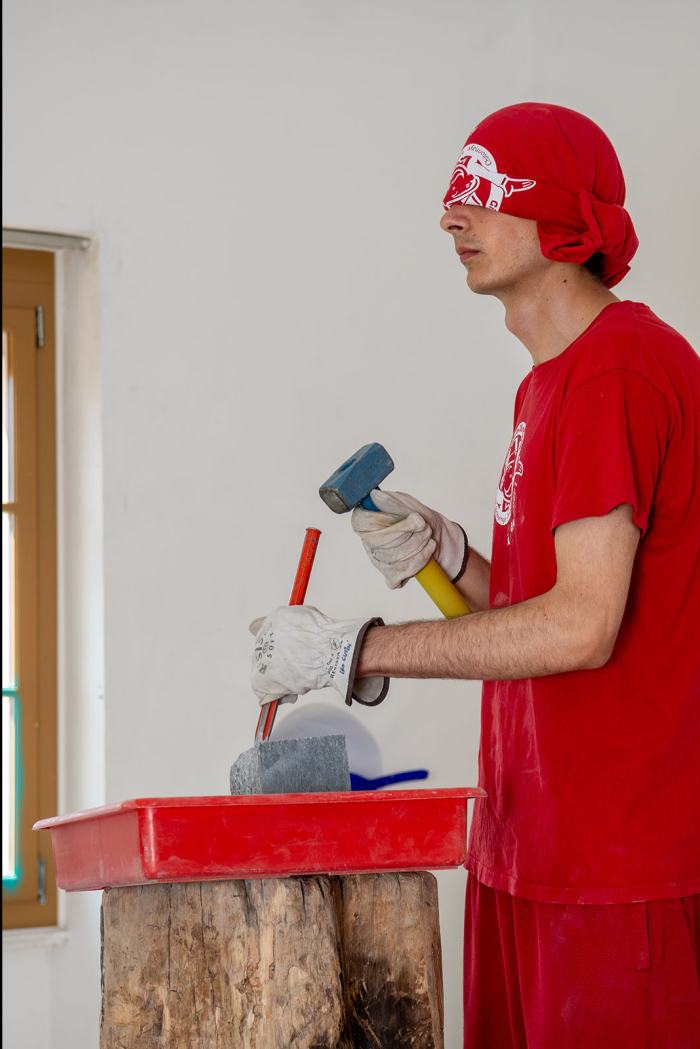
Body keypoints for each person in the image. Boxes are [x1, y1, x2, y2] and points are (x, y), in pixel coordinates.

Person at [250, 102, 700, 1046]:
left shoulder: (619, 370)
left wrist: (355, 650)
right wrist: (446, 557)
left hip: (617, 870)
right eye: (455, 194)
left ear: (567, 218)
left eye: (484, 192)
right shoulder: (550, 383)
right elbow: (543, 607)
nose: (452, 216)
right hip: (528, 848)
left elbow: (581, 628)